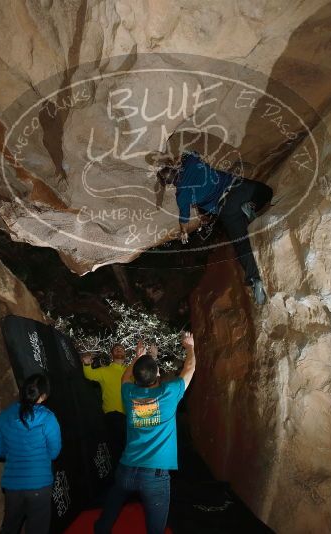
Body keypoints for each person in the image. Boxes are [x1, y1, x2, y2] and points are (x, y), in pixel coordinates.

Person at [94, 333, 197, 534]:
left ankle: (101, 529)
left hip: (127, 468)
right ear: (158, 373)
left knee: (112, 506)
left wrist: (137, 356)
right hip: (154, 477)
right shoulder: (169, 393)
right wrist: (190, 346)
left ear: (136, 377)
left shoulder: (129, 393)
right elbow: (190, 368)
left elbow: (125, 377)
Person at [157, 151, 273, 305]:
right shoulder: (190, 164)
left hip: (226, 209)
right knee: (266, 192)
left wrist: (184, 233)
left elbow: (183, 219)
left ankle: (254, 279)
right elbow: (191, 152)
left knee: (241, 243)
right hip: (238, 188)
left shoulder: (182, 195)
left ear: (171, 183)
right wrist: (178, 160)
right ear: (175, 170)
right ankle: (251, 205)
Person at [0, 374, 61, 534]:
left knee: (10, 527)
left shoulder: (4, 416)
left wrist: (13, 453)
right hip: (39, 484)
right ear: (43, 396)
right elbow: (54, 452)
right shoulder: (48, 418)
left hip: (13, 486)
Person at [82, 344, 128, 465]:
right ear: (112, 354)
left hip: (131, 416)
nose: (119, 350)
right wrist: (87, 364)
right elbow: (89, 374)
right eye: (116, 349)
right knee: (118, 453)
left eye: (121, 349)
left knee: (130, 452)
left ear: (125, 354)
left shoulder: (130, 371)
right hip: (113, 416)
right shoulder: (105, 370)